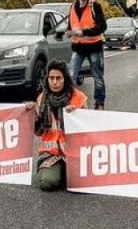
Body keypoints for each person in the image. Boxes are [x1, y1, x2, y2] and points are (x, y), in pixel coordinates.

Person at [25, 60, 87, 191]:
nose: (54, 82)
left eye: (59, 78)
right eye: (51, 78)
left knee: (80, 186)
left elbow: (87, 130)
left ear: (65, 79)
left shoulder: (78, 98)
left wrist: (77, 114)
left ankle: (68, 173)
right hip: (51, 154)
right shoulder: (42, 98)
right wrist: (31, 114)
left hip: (75, 153)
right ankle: (62, 173)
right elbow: (39, 132)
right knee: (46, 183)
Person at [65, 0, 107, 110]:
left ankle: (99, 103)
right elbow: (71, 25)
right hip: (78, 47)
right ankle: (70, 102)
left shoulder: (95, 6)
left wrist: (83, 32)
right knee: (71, 76)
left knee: (97, 77)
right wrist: (68, 31)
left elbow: (102, 27)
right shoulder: (72, 7)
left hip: (94, 46)